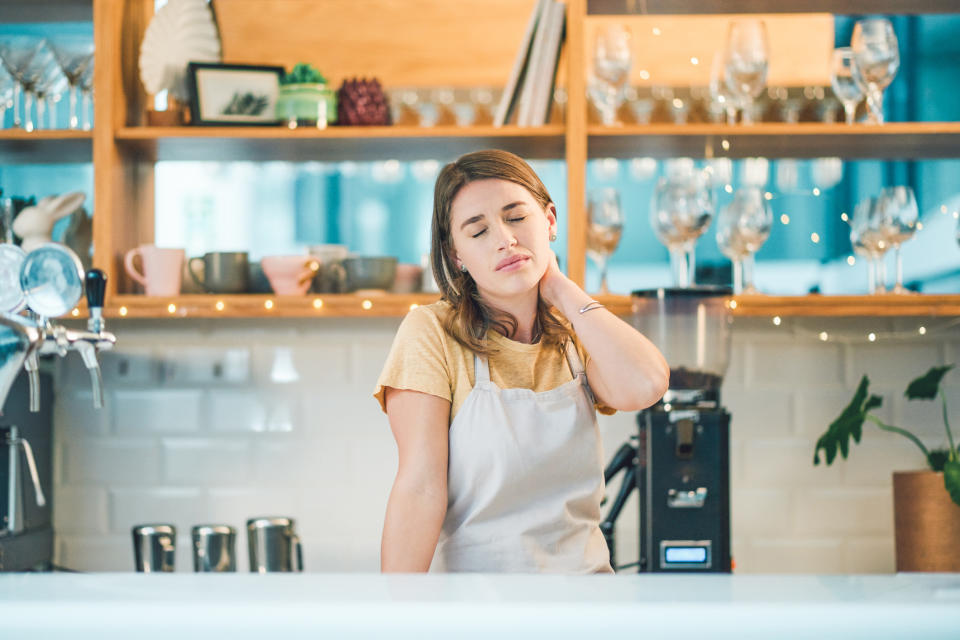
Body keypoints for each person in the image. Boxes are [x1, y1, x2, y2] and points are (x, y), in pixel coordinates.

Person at [374, 149, 669, 573]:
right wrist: (396, 619)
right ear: (457, 256)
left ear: (549, 221)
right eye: (477, 232)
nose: (504, 239)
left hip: (585, 604)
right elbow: (420, 489)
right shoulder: (431, 332)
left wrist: (561, 289)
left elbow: (647, 385)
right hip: (477, 609)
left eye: (516, 218)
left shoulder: (575, 332)